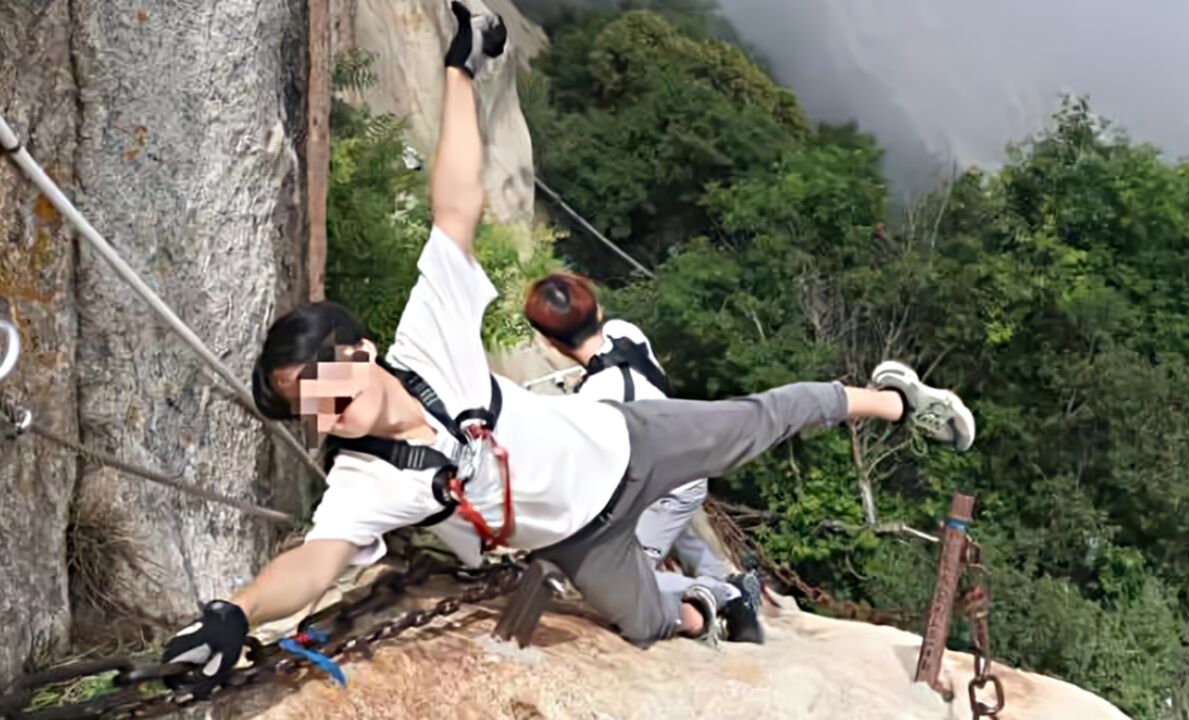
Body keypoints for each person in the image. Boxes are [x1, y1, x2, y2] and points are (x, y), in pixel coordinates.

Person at [161, 1, 976, 694]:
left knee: (757, 421)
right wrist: (237, 609)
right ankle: (713, 603)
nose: (326, 416)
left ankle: (894, 399)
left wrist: (460, 74)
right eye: (310, 412)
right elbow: (316, 561)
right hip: (574, 537)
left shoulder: (428, 339)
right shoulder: (363, 481)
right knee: (650, 623)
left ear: (361, 349)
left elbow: (454, 208)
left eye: (324, 386)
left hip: (627, 442)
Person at [523, 273, 763, 644]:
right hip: (682, 458)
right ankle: (722, 574)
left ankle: (729, 594)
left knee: (629, 581)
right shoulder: (625, 332)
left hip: (667, 484)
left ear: (549, 341)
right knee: (668, 521)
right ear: (597, 309)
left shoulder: (595, 403)